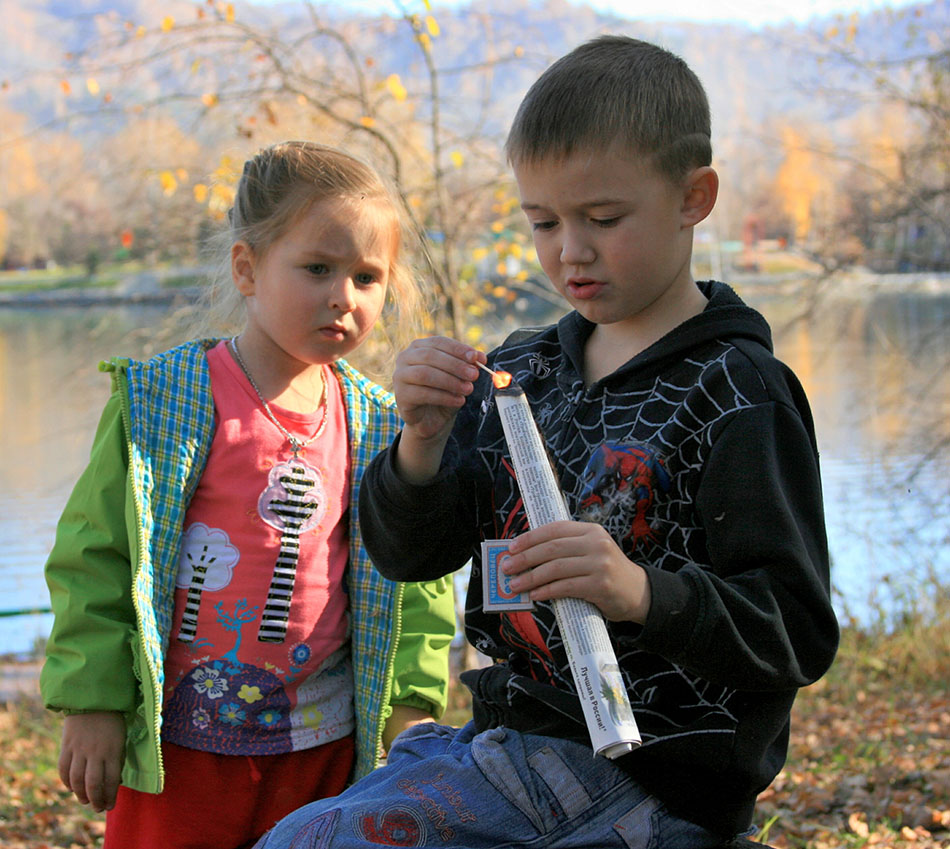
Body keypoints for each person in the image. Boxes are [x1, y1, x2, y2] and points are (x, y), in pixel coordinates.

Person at [251, 36, 839, 847]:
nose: (571, 250)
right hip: (508, 750)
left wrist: (638, 591)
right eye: (543, 221)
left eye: (603, 218)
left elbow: (795, 631)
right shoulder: (519, 371)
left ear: (693, 197)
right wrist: (420, 443)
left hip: (659, 787)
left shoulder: (739, 389)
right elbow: (411, 554)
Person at [40, 140, 456, 849]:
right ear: (248, 267)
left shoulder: (380, 424)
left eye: (366, 276)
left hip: (322, 750)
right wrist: (94, 700)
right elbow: (97, 557)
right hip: (185, 752)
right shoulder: (168, 402)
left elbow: (413, 578)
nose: (342, 297)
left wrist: (409, 707)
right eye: (317, 268)